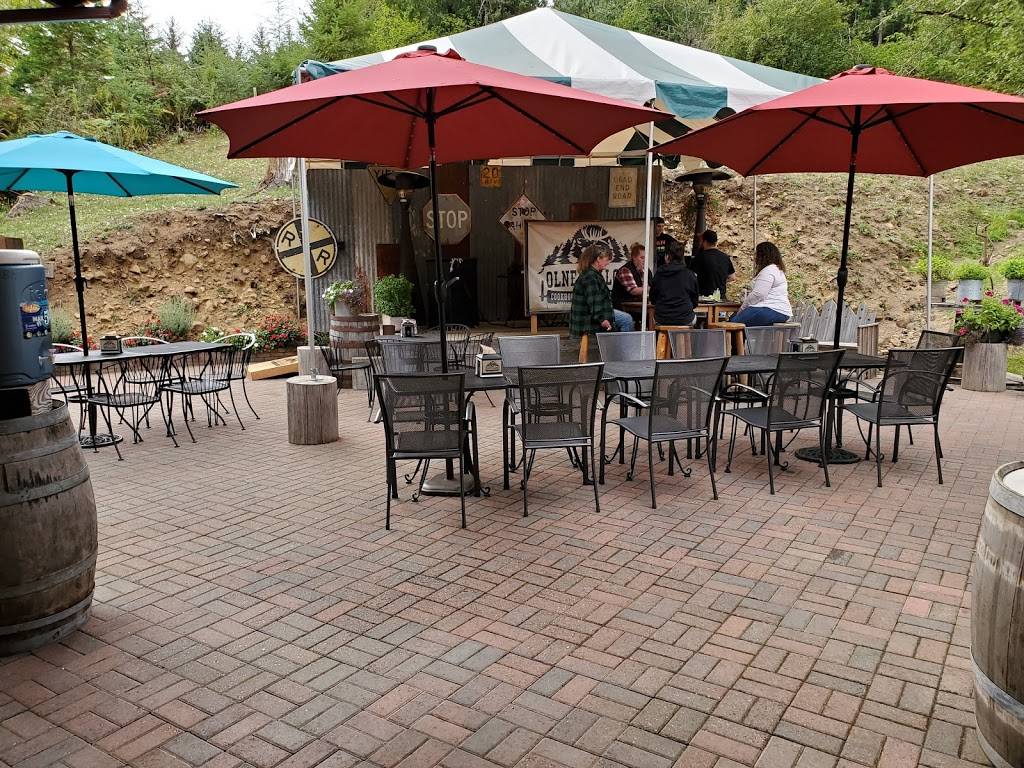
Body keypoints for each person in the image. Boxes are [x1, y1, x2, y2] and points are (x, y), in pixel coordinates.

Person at [570, 244, 634, 352]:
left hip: (589, 315)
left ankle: (617, 350)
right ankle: (623, 353)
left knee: (624, 318)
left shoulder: (592, 274)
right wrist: (602, 319)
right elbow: (594, 302)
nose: (608, 262)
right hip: (587, 319)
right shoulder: (591, 277)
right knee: (626, 320)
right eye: (607, 259)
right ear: (598, 259)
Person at [732, 241, 793, 326]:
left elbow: (758, 294)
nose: (755, 257)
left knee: (733, 324)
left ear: (762, 256)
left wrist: (743, 308)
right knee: (734, 319)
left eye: (756, 254)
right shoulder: (777, 269)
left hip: (770, 309)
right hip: (781, 311)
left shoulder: (768, 270)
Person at [650, 240, 699, 326]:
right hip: (685, 318)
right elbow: (695, 302)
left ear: (667, 256)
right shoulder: (690, 275)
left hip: (661, 318)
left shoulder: (659, 273)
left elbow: (653, 299)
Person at [691, 230, 736, 299]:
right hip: (721, 298)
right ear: (715, 242)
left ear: (704, 242)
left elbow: (691, 277)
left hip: (705, 298)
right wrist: (720, 281)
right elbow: (732, 277)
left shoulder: (699, 257)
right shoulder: (725, 257)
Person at [612, 242, 650, 317]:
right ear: (634, 257)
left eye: (646, 258)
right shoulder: (625, 270)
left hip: (636, 307)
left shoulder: (645, 271)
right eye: (642, 258)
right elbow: (633, 291)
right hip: (622, 308)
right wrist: (651, 288)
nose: (645, 260)